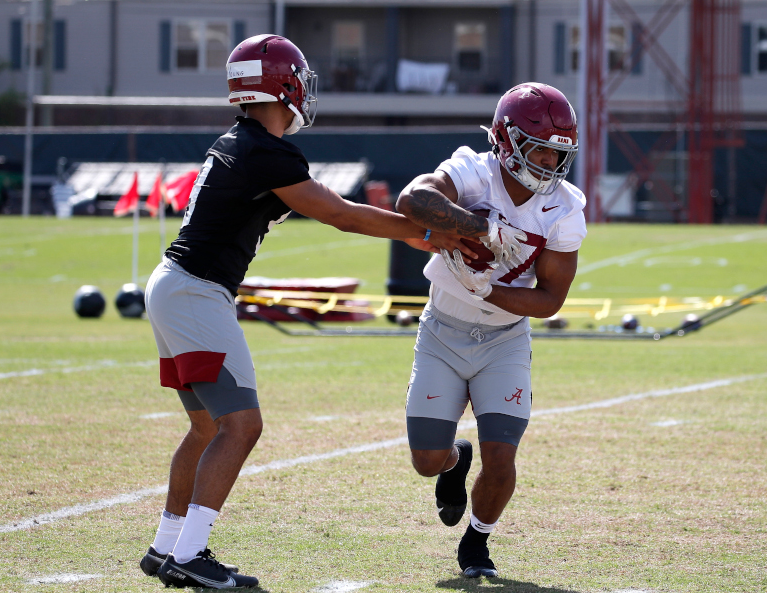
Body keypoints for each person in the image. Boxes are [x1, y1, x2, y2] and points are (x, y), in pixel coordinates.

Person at [139, 34, 479, 590]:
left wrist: (420, 232)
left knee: (205, 426)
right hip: (197, 289)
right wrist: (423, 232)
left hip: (173, 285)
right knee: (241, 425)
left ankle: (165, 547)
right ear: (283, 85)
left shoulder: (239, 142)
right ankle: (191, 553)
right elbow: (340, 214)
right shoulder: (267, 151)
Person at [395, 82, 586, 579]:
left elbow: (549, 301)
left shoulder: (564, 208)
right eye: (539, 147)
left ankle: (476, 543)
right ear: (505, 139)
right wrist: (479, 229)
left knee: (501, 456)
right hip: (442, 331)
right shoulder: (474, 173)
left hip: (505, 338)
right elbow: (412, 200)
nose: (548, 162)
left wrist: (484, 289)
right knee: (425, 459)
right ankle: (453, 462)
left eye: (557, 152)